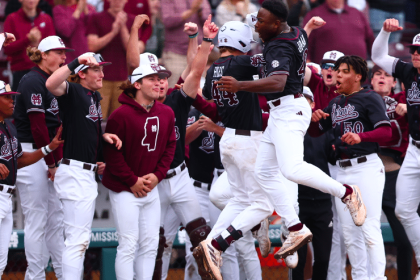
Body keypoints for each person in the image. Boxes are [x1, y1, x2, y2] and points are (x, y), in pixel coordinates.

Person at [199, 2, 367, 278]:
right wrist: (309, 28)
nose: (256, 25)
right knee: (264, 174)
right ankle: (294, 229)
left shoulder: (277, 45)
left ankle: (347, 193)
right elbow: (289, 30)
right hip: (281, 113)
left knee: (291, 169)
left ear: (276, 24)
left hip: (290, 109)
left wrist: (239, 85)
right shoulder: (296, 31)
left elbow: (277, 82)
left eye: (261, 22)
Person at [309, 55, 391, 280]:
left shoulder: (370, 97)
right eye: (337, 71)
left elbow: (386, 131)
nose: (338, 74)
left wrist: (361, 136)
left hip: (366, 168)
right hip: (342, 171)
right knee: (349, 233)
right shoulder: (335, 103)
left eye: (344, 71)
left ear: (358, 76)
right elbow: (316, 132)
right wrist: (314, 119)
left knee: (369, 228)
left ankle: (377, 278)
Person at [45, 52, 122, 280]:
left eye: (101, 69)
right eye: (96, 69)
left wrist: (103, 138)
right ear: (82, 74)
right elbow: (51, 83)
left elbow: (86, 130)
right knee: (76, 241)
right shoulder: (75, 91)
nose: (102, 74)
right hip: (75, 171)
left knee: (79, 240)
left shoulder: (94, 97)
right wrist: (76, 61)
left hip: (84, 171)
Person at [102, 64, 176, 280]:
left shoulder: (167, 112)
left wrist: (158, 175)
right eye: (152, 78)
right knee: (128, 244)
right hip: (125, 189)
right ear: (137, 84)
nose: (158, 82)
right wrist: (132, 181)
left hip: (151, 187)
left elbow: (171, 145)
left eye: (160, 78)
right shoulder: (119, 115)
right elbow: (112, 156)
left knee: (151, 244)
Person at [13, 35, 73, 280]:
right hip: (31, 153)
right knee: (37, 221)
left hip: (47, 155)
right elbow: (38, 127)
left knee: (56, 221)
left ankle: (62, 273)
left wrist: (55, 160)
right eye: (58, 52)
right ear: (44, 55)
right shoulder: (32, 81)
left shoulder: (52, 81)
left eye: (64, 52)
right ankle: (34, 277)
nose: (63, 57)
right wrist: (52, 163)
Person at [371, 18, 420, 279]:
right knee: (403, 211)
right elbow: (378, 55)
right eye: (413, 50)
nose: (415, 55)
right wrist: (384, 32)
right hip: (414, 148)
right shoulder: (408, 72)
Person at [0, 80, 64, 277]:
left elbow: (19, 160)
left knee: (1, 261)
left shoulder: (9, 126)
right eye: (7, 98)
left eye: (13, 98)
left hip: (6, 197)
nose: (13, 102)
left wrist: (48, 148)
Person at [370, 65, 412, 280]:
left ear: (394, 83)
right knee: (363, 235)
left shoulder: (402, 99)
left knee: (404, 238)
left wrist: (409, 107)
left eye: (387, 75)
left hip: (394, 173)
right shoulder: (362, 100)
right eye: (378, 74)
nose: (382, 78)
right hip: (365, 173)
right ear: (370, 80)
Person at [87, 0, 150, 119]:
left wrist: (123, 28)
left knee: (121, 119)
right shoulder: (96, 17)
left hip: (124, 80)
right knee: (98, 118)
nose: (117, 1)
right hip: (100, 80)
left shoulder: (132, 21)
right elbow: (92, 45)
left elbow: (133, 50)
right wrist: (113, 31)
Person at [3, 0, 55, 91]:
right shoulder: (11, 19)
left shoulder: (46, 19)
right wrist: (27, 40)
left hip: (43, 71)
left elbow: (53, 47)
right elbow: (7, 49)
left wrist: (39, 44)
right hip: (20, 70)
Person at [302, 0, 374, 64]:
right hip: (328, 74)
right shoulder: (314, 15)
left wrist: (377, 61)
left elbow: (370, 40)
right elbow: (305, 42)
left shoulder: (357, 13)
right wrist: (307, 65)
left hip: (358, 73)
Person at [160, 0, 211, 87]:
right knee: (174, 89)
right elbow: (168, 21)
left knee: (199, 90)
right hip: (175, 53)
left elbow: (208, 19)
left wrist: (199, 11)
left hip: (198, 52)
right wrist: (191, 11)